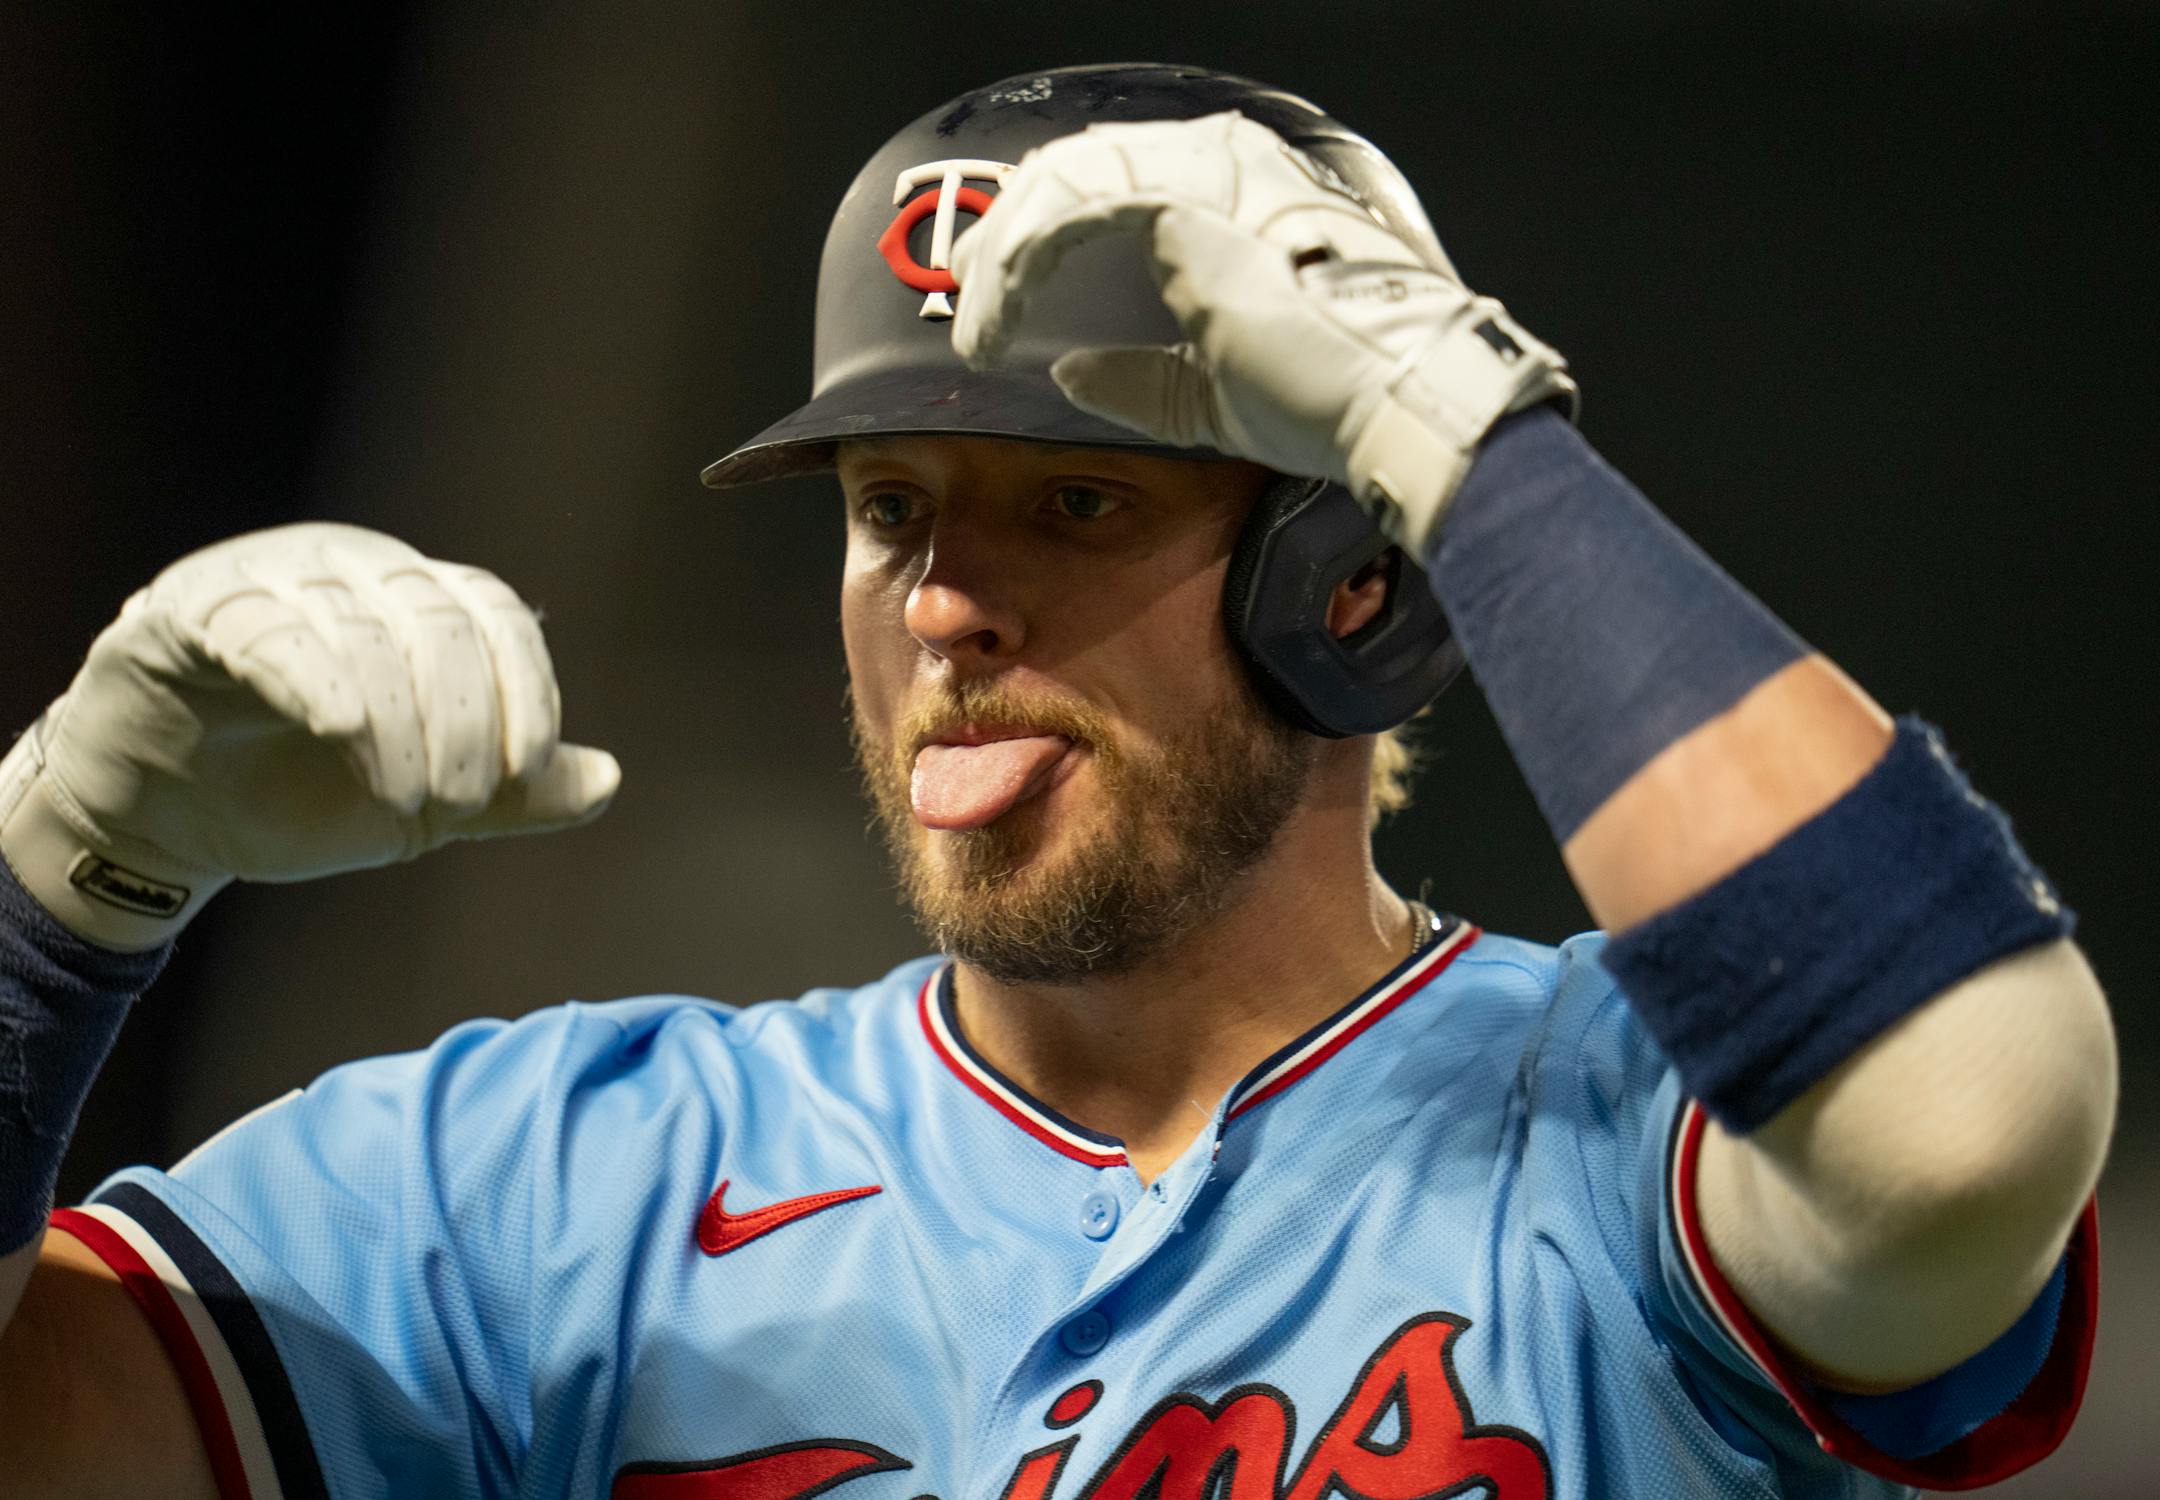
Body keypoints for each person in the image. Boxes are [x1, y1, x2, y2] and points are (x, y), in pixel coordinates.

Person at [0, 63, 2114, 1500]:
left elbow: (1966, 1128)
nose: (944, 605)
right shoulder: (560, 1183)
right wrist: (49, 896)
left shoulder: (1621, 1136)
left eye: (1080, 503)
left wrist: (1464, 435)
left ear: (1354, 585)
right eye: (894, 505)